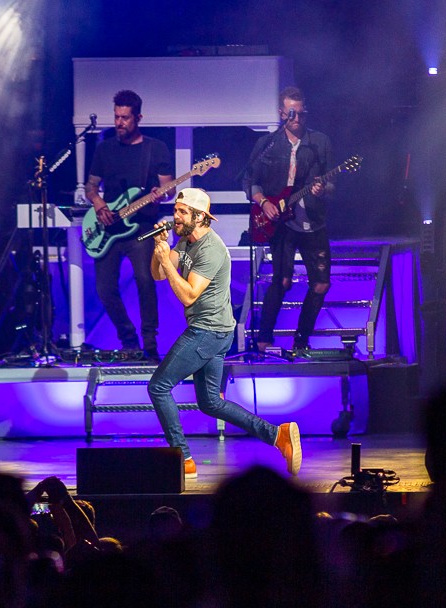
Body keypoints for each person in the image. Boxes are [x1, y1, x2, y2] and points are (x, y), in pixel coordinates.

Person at [147, 188, 301, 477]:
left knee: (158, 386)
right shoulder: (185, 241)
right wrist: (161, 249)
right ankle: (277, 436)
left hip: (208, 332)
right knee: (211, 402)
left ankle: (182, 458)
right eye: (175, 210)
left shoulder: (212, 249)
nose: (175, 216)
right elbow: (158, 275)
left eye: (182, 212)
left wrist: (166, 260)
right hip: (215, 331)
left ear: (200, 217)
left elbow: (189, 296)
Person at [85, 90, 174, 361]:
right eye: (116, 117)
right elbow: (90, 187)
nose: (119, 122)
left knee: (146, 281)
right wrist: (99, 204)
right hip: (109, 226)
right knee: (104, 288)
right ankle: (128, 339)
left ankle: (149, 343)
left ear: (138, 118)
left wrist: (163, 193)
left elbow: (169, 188)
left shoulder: (155, 149)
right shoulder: (105, 148)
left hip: (142, 227)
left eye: (125, 118)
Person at [243, 86, 333, 351]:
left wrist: (322, 188)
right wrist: (264, 202)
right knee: (281, 280)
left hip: (312, 220)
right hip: (281, 222)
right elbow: (250, 181)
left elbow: (332, 184)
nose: (297, 119)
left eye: (301, 114)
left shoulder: (320, 143)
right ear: (281, 113)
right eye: (291, 114)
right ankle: (263, 339)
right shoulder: (267, 144)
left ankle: (301, 340)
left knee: (321, 284)